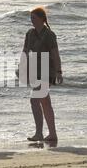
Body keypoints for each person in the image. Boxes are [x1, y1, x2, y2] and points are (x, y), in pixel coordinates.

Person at [22, 7, 63, 142]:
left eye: (34, 18)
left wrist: (58, 71)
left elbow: (55, 54)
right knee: (45, 103)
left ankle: (39, 133)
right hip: (34, 70)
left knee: (35, 100)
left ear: (41, 19)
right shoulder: (30, 34)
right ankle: (52, 134)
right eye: (31, 18)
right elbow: (25, 52)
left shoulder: (49, 35)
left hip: (47, 71)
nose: (32, 21)